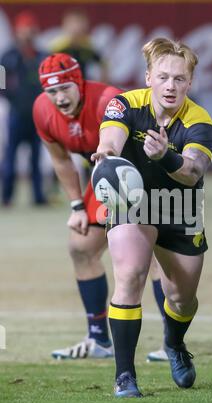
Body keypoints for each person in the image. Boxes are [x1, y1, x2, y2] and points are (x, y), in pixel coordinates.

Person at [91, 37, 212, 397]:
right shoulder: (124, 105)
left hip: (179, 207)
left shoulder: (200, 121)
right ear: (148, 77)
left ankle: (174, 343)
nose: (171, 86)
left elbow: (193, 172)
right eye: (163, 77)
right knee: (130, 275)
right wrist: (105, 155)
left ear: (190, 83)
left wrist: (166, 156)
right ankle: (125, 376)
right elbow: (111, 141)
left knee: (181, 299)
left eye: (179, 79)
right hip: (132, 202)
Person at [33, 52, 166, 360]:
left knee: (156, 257)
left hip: (142, 172)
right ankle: (98, 341)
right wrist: (77, 205)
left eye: (65, 88)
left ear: (79, 82)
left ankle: (171, 345)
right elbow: (60, 158)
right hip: (107, 177)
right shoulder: (42, 110)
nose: (59, 97)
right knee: (81, 247)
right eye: (51, 91)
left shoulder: (108, 100)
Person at [1, 11, 47, 206]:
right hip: (17, 115)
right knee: (10, 156)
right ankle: (7, 197)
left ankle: (38, 197)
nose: (27, 33)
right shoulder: (8, 56)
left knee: (37, 159)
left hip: (37, 116)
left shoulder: (43, 56)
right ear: (17, 31)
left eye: (30, 29)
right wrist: (14, 99)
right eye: (23, 29)